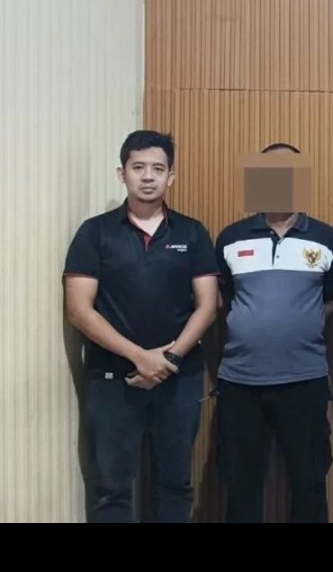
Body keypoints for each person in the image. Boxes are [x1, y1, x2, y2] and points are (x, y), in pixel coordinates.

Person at [63, 129, 218, 522]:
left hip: (179, 376)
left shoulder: (192, 233)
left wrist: (168, 359)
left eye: (158, 169)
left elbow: (207, 306)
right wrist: (139, 357)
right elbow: (79, 310)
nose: (148, 176)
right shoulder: (94, 233)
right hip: (111, 378)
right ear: (122, 174)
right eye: (138, 167)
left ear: (171, 177)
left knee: (175, 485)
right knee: (112, 490)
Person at [214, 142, 333, 522]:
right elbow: (224, 300)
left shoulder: (326, 238)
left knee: (309, 483)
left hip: (304, 380)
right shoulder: (231, 238)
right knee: (240, 484)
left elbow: (331, 301)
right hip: (240, 382)